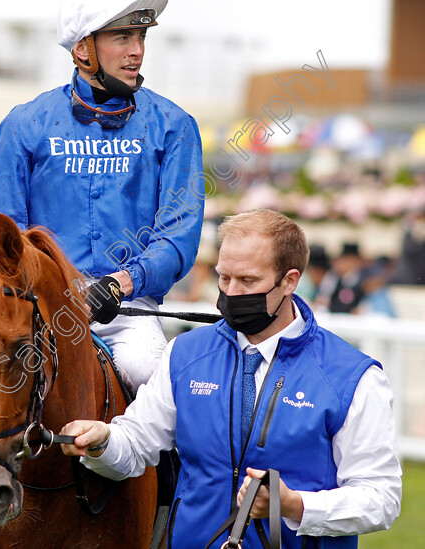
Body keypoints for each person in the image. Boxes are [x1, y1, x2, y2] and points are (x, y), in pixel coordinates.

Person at [60, 209, 402, 547]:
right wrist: (102, 440)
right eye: (224, 278)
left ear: (290, 281)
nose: (231, 292)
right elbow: (134, 445)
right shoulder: (184, 354)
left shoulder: (353, 375)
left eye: (248, 281)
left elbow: (381, 499)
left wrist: (295, 505)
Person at [0, 0, 204, 392]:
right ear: (83, 50)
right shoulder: (23, 125)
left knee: (150, 375)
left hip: (126, 307)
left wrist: (121, 282)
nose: (136, 50)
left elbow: (178, 237)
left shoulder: (175, 126)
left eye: (140, 36)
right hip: (40, 305)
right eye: (122, 37)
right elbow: (5, 233)